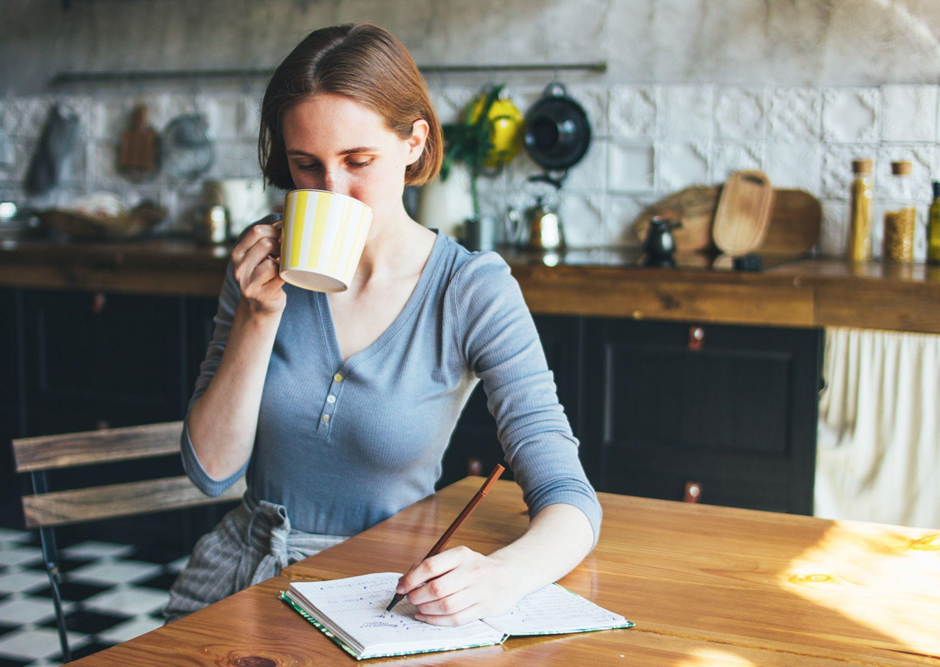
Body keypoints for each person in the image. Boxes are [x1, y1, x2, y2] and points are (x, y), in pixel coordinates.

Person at [163, 22, 601, 627]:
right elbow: (210, 472)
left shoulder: (470, 289)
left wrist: (503, 577)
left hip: (379, 598)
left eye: (357, 160)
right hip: (239, 582)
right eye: (306, 166)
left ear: (414, 143)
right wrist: (257, 317)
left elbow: (571, 500)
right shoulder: (260, 264)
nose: (332, 190)